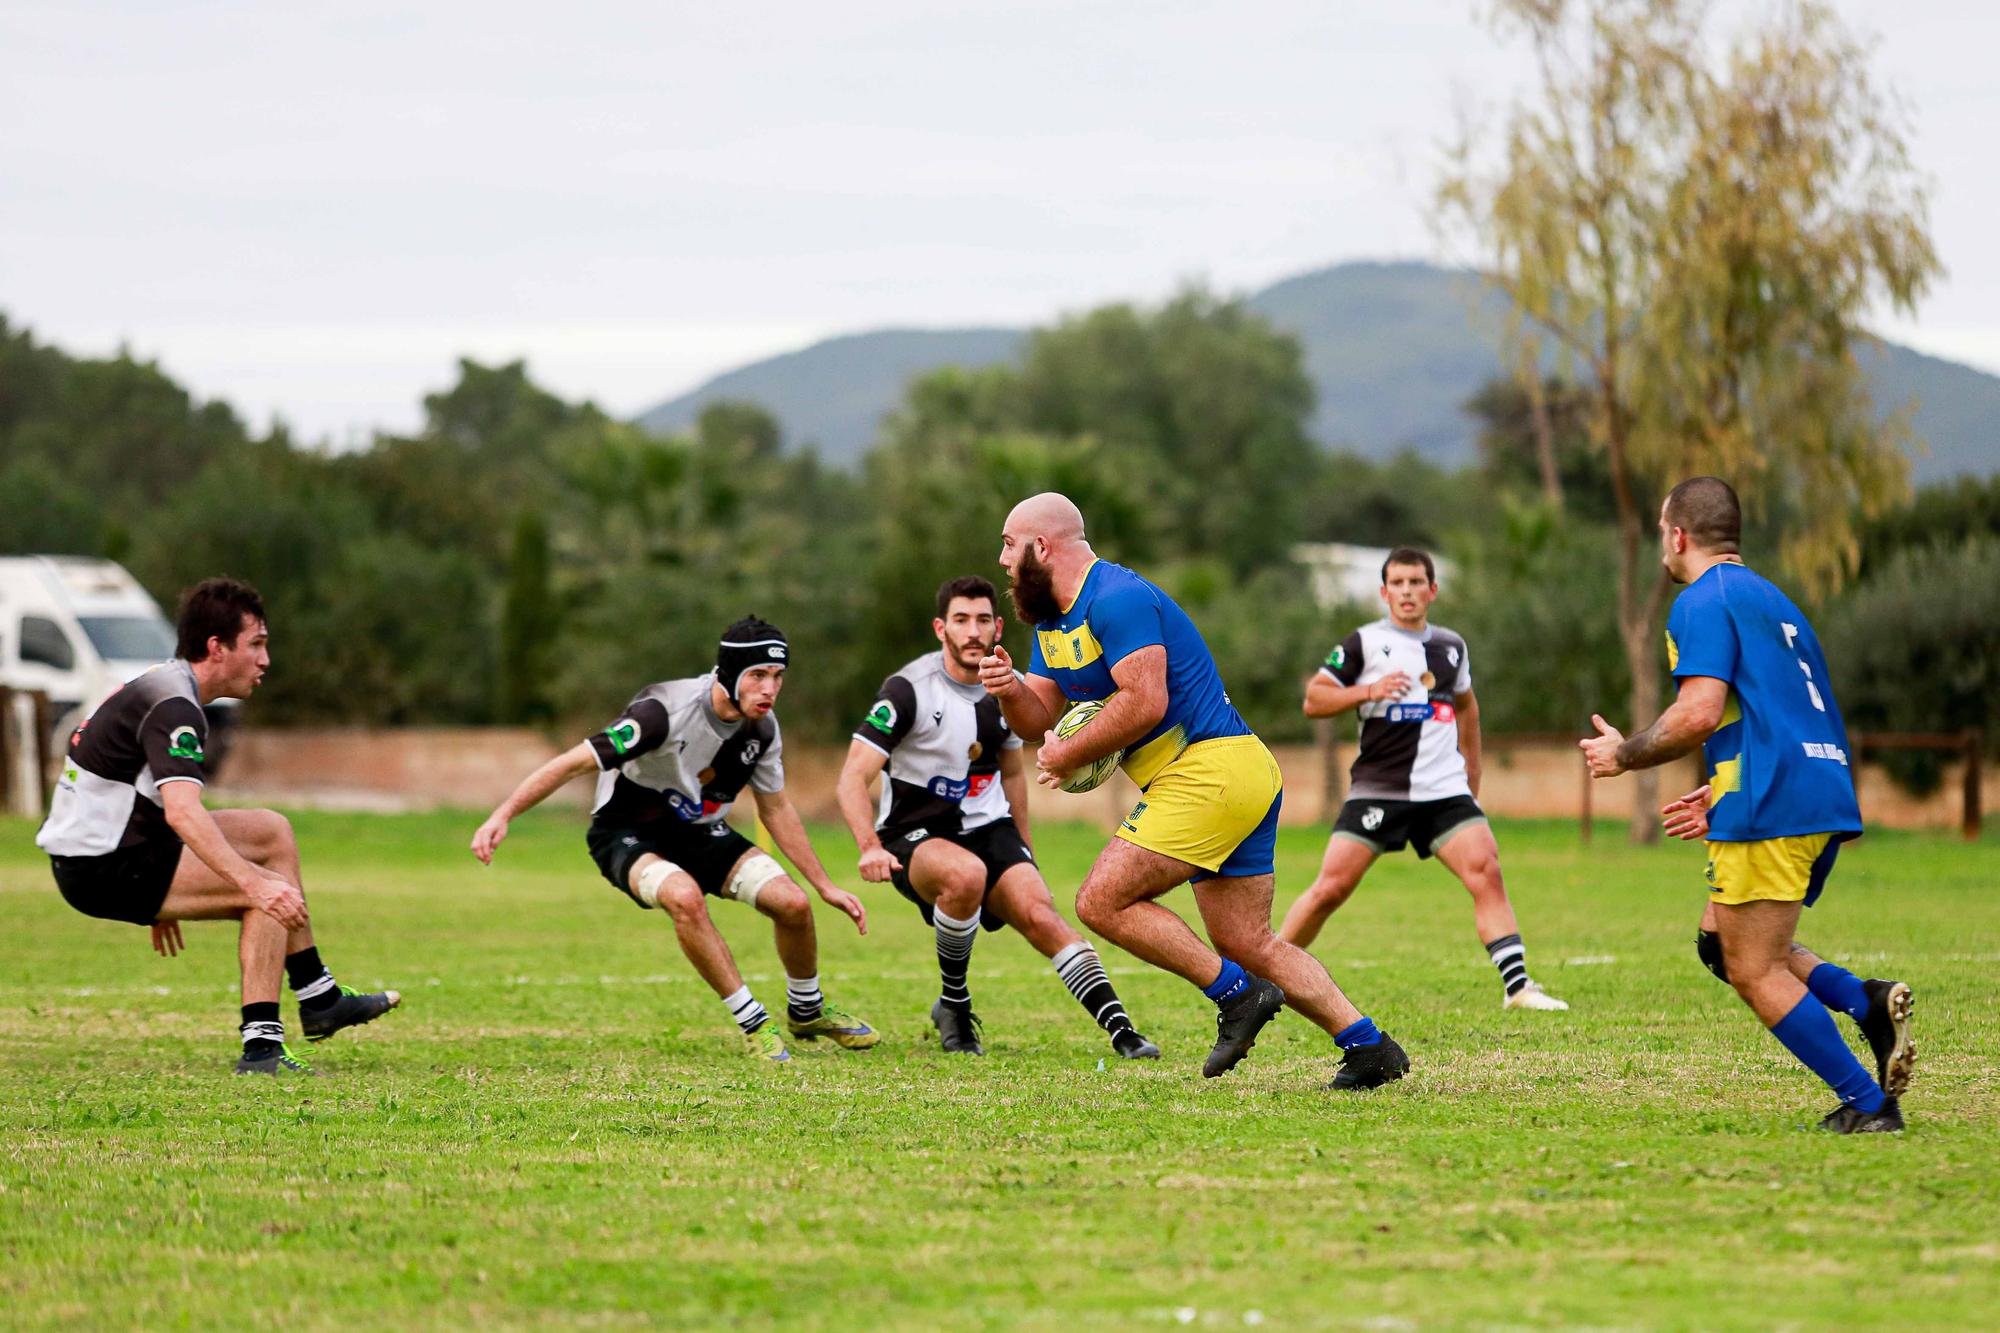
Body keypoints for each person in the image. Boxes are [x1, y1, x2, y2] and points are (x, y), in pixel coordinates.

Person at [979, 493, 1410, 1089]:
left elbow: (1145, 699)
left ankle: (1237, 997)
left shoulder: (1117, 597)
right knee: (1245, 939)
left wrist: (1069, 751)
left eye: (1008, 544)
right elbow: (1037, 720)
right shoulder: (1051, 620)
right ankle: (1370, 1048)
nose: (1002, 559)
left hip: (1212, 769)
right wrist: (1008, 690)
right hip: (1227, 775)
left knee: (1100, 902)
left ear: (1041, 547)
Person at [1580, 477, 1915, 1133]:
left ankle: (1870, 1104)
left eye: (1660, 531)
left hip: (1774, 800)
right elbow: (1776, 709)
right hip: (1816, 791)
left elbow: (1699, 711)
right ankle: (1864, 1000)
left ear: (1677, 535)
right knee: (1720, 941)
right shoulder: (1776, 601)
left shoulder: (1701, 600)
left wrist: (1624, 754)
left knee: (1752, 967)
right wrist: (1727, 783)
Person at [37, 577, 401, 1075]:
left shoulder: (165, 684)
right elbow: (183, 813)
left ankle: (319, 997)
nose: (265, 661)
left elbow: (129, 787)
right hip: (104, 867)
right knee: (267, 888)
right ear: (217, 647)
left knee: (271, 832)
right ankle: (262, 1049)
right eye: (256, 645)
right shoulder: (175, 706)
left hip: (112, 851)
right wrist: (252, 884)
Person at [471, 617, 876, 1063]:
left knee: (793, 905)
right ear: (728, 673)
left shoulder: (761, 730)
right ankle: (754, 1022)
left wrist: (824, 886)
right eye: (758, 675)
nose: (770, 689)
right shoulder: (661, 713)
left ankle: (807, 1010)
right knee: (684, 896)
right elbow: (571, 763)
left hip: (699, 832)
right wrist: (503, 814)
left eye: (778, 677)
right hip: (625, 833)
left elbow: (775, 807)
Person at [837, 575, 1159, 1060]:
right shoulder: (907, 691)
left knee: (1039, 912)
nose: (972, 631)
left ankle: (1123, 1031)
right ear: (940, 628)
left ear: (998, 628)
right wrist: (868, 846)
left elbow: (1012, 775)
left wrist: (1025, 851)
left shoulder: (1008, 692)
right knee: (965, 876)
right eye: (961, 620)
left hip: (989, 829)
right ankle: (955, 1005)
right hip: (914, 835)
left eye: (982, 620)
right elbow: (851, 778)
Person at [1279, 547, 1568, 1011]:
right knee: (1330, 888)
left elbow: (1468, 705)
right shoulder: (1363, 643)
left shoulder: (1452, 646)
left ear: (1432, 590)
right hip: (1379, 788)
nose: (1407, 591)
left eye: (1416, 582)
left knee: (1486, 871)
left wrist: (1472, 768)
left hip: (1444, 790)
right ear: (1384, 592)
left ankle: (1519, 988)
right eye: (1398, 583)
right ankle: (1267, 977)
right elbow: (1315, 699)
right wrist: (1367, 691)